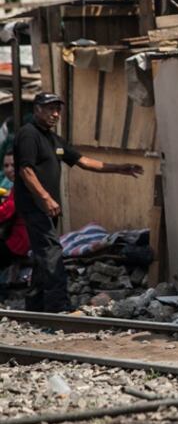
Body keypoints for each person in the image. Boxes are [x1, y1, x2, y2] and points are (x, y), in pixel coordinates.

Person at [14, 93, 143, 313]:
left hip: (47, 208)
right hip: (35, 206)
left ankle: (35, 306)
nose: (55, 114)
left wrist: (119, 168)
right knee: (52, 252)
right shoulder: (28, 135)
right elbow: (26, 170)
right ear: (36, 109)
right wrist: (45, 198)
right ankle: (59, 307)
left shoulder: (53, 139)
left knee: (42, 255)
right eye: (49, 109)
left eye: (58, 109)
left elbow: (83, 161)